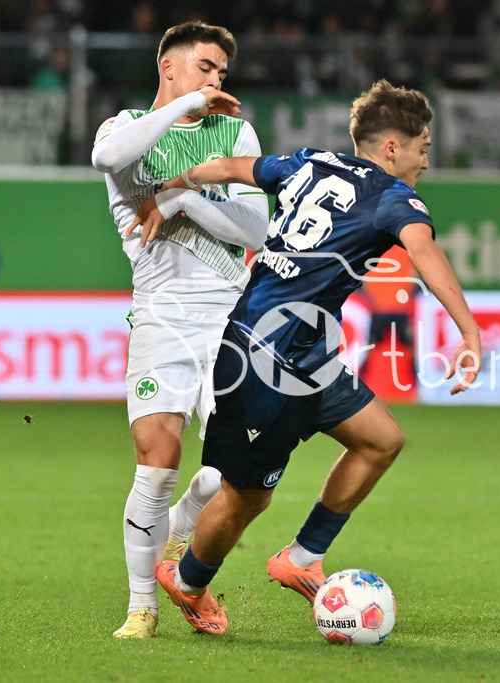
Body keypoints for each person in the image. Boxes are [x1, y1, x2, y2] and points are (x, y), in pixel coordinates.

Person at [128, 79, 482, 635]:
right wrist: (469, 332)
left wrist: (171, 189)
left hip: (308, 354)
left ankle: (301, 557)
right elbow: (424, 251)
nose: (425, 161)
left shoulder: (309, 163)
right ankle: (189, 580)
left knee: (381, 441)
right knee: (246, 498)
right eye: (423, 147)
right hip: (262, 361)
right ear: (392, 148)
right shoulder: (393, 198)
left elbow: (227, 166)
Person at [90, 20, 269, 639]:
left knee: (230, 475)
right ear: (169, 67)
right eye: (206, 68)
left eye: (221, 71)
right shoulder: (125, 127)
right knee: (155, 464)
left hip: (229, 317)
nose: (217, 80)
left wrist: (183, 198)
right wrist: (189, 107)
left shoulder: (235, 133)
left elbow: (259, 232)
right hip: (161, 314)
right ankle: (142, 606)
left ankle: (183, 527)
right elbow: (107, 160)